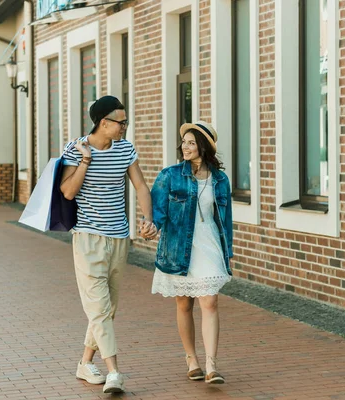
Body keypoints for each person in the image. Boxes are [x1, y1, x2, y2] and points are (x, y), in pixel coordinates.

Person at [60, 95, 157, 393]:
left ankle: (85, 362)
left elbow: (140, 185)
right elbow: (68, 191)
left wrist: (148, 219)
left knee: (107, 307)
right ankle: (114, 371)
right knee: (100, 308)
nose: (125, 127)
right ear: (104, 123)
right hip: (87, 237)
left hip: (119, 237)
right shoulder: (75, 149)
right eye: (121, 122)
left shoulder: (125, 148)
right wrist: (86, 159)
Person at [149, 121, 233, 384]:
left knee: (210, 301)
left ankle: (211, 365)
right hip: (178, 246)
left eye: (191, 142)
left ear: (203, 146)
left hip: (209, 245)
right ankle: (191, 359)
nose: (184, 147)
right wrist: (150, 227)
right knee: (184, 303)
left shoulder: (220, 179)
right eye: (183, 142)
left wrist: (228, 250)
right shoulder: (169, 175)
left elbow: (226, 218)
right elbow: (157, 214)